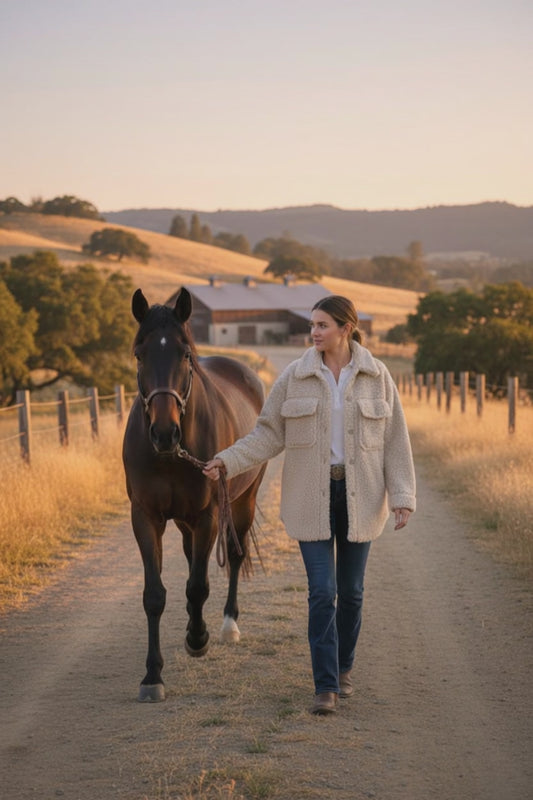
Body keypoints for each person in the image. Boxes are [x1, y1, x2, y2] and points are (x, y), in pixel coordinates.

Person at [203, 295, 416, 716]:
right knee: (322, 592)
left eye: (322, 325)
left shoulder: (377, 376)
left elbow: (395, 439)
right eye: (312, 325)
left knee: (351, 593)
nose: (313, 332)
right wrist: (227, 460)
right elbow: (266, 435)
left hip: (361, 496)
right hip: (310, 498)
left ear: (345, 328)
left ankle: (344, 666)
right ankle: (326, 685)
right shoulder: (294, 377)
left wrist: (402, 497)